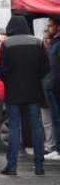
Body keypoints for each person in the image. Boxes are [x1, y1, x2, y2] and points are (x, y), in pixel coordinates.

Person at [0, 15, 50, 176]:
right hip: (33, 91)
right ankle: (39, 166)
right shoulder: (38, 42)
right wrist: (35, 77)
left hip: (13, 92)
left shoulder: (6, 43)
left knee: (13, 128)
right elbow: (46, 66)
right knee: (35, 128)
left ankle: (11, 166)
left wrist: (9, 80)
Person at [42, 18, 60, 160]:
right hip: (50, 86)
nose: (48, 28)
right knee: (54, 120)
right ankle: (57, 149)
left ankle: (59, 150)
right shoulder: (54, 43)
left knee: (57, 119)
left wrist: (53, 84)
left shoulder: (57, 44)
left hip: (54, 86)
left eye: (50, 26)